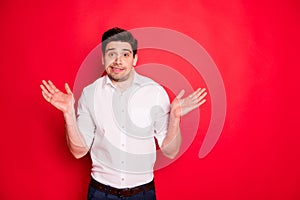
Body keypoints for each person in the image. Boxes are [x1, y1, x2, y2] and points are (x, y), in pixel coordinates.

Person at [40, 27, 207, 200]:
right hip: (100, 193)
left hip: (142, 194)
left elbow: (171, 151)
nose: (118, 60)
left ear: (135, 59)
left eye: (125, 54)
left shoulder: (155, 92)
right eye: (111, 54)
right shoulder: (90, 94)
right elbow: (78, 151)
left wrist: (175, 117)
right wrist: (68, 114)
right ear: (103, 58)